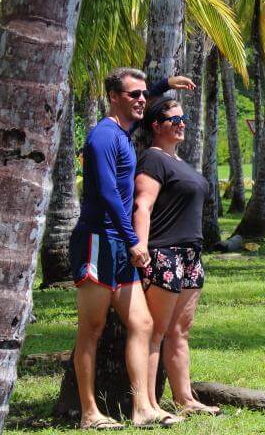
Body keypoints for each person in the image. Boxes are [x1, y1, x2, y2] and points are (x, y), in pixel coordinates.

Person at [68, 68, 194, 430]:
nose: (142, 100)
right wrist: (133, 240)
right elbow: (109, 196)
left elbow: (145, 97)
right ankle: (90, 413)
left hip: (119, 246)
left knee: (142, 323)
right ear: (113, 97)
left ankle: (143, 407)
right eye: (133, 95)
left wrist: (166, 85)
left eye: (143, 94)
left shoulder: (124, 133)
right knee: (91, 328)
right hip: (97, 241)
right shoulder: (103, 138)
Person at [134, 99, 222, 417]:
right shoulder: (153, 160)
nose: (181, 123)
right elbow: (142, 204)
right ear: (156, 126)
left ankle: (185, 399)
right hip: (164, 253)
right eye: (174, 119)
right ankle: (149, 405)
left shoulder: (180, 162)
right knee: (155, 331)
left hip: (190, 255)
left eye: (183, 118)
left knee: (180, 331)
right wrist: (140, 246)